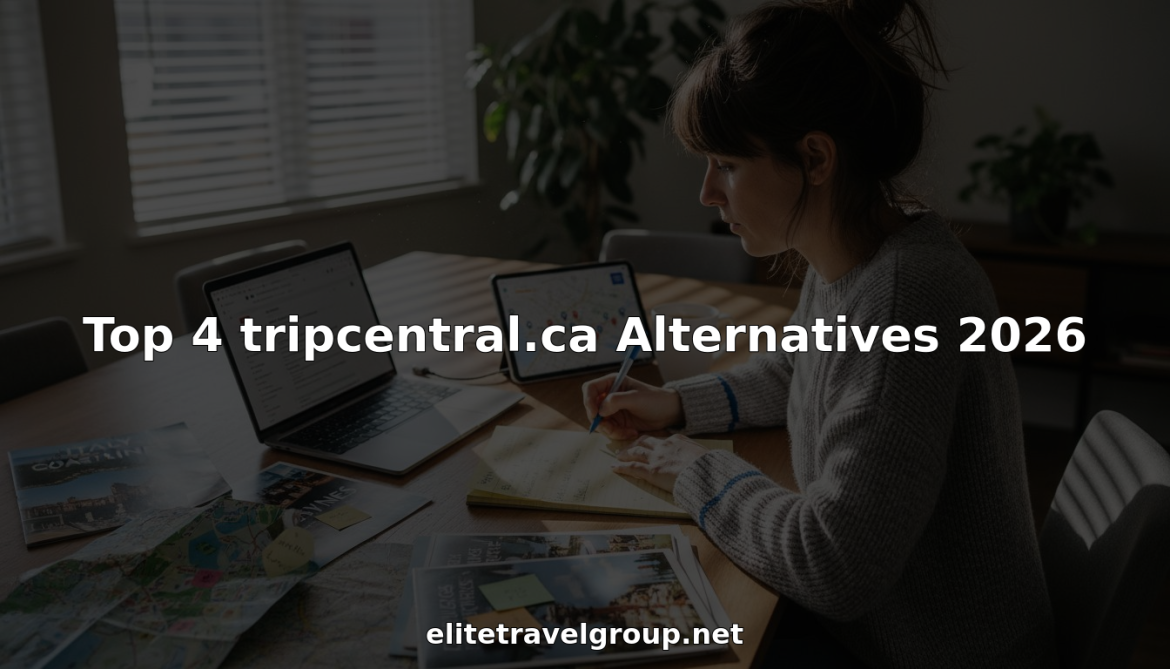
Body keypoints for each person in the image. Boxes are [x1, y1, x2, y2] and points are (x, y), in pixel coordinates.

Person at [581, 1, 1058, 666]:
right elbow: (799, 371)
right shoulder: (859, 253)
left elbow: (834, 563)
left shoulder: (906, 299)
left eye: (727, 164)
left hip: (928, 648)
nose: (707, 195)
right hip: (884, 627)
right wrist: (679, 403)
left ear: (814, 157)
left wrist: (694, 467)